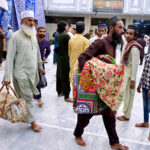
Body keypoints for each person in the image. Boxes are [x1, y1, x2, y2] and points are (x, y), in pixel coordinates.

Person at [74, 16, 129, 150]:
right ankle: (78, 134)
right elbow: (82, 57)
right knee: (86, 115)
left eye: (123, 27)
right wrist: (91, 74)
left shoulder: (116, 43)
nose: (123, 31)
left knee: (109, 114)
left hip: (106, 87)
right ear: (111, 28)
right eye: (120, 27)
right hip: (95, 88)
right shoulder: (101, 42)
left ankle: (114, 142)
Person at [3, 10, 45, 132]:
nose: (32, 23)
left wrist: (41, 67)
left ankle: (23, 116)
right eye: (29, 20)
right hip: (21, 74)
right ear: (22, 21)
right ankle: (33, 121)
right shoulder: (15, 36)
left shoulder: (33, 35)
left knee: (22, 97)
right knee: (28, 98)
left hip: (32, 73)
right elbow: (9, 58)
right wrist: (6, 78)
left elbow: (37, 52)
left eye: (33, 20)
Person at [117, 25, 142, 121]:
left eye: (131, 34)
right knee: (122, 93)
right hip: (124, 73)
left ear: (135, 36)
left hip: (130, 76)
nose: (127, 35)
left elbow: (135, 65)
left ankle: (126, 115)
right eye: (127, 33)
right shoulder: (127, 44)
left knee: (128, 96)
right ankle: (118, 111)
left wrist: (133, 80)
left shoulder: (134, 47)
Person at [33, 26, 50, 107]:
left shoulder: (46, 42)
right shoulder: (33, 40)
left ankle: (38, 98)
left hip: (40, 64)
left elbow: (48, 51)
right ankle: (33, 94)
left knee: (38, 80)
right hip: (31, 63)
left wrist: (45, 57)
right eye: (40, 31)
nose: (42, 33)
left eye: (44, 32)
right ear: (37, 32)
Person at [56, 21, 72, 102]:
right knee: (66, 77)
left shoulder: (58, 35)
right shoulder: (66, 36)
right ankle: (67, 96)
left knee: (59, 75)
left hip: (60, 57)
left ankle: (59, 92)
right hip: (66, 58)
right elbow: (70, 47)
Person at [135, 53, 150, 128]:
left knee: (147, 105)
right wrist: (140, 84)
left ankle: (146, 122)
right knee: (146, 105)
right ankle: (146, 122)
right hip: (145, 84)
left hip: (148, 86)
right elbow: (144, 71)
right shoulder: (148, 56)